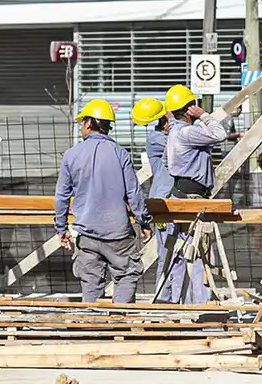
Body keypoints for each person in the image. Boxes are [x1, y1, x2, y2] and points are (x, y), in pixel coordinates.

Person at [53, 99, 152, 304]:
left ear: (89, 123)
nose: (81, 126)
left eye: (82, 122)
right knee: (125, 277)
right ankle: (121, 326)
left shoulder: (71, 155)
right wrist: (144, 222)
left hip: (86, 234)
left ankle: (93, 327)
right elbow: (134, 193)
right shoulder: (120, 153)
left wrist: (61, 228)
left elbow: (62, 196)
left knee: (91, 284)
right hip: (118, 234)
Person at [162, 84, 236, 303]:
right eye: (194, 105)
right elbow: (219, 134)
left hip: (180, 193)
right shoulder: (187, 132)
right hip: (193, 198)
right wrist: (203, 115)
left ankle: (180, 300)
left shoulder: (174, 132)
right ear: (188, 109)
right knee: (199, 254)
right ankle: (200, 304)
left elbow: (167, 163)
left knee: (179, 251)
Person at [132, 96, 173, 300]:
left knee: (178, 252)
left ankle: (173, 296)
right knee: (167, 251)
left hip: (171, 198)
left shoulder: (164, 135)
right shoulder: (157, 138)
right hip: (163, 202)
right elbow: (180, 143)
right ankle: (164, 299)